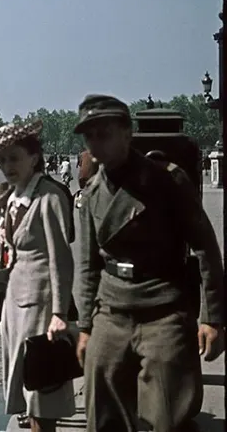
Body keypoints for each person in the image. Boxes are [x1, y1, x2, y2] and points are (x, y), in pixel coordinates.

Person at [72, 94, 225, 432]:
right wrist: (85, 327)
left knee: (168, 412)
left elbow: (205, 248)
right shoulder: (91, 192)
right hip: (111, 310)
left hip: (162, 309)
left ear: (127, 134)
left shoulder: (166, 180)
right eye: (89, 136)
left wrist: (212, 318)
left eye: (105, 133)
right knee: (103, 411)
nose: (96, 144)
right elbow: (87, 266)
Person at [0, 119, 76, 432]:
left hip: (41, 304)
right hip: (15, 305)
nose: (8, 166)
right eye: (3, 160)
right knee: (25, 386)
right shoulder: (13, 197)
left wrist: (59, 312)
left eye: (14, 158)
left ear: (34, 158)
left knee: (42, 391)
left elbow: (61, 259)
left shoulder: (49, 198)